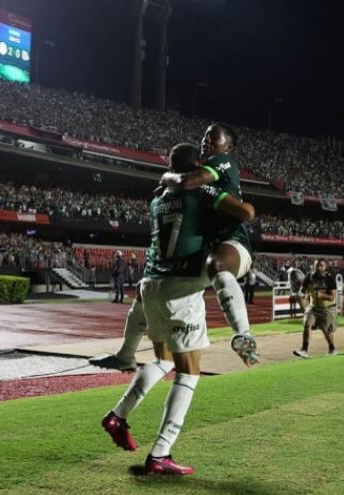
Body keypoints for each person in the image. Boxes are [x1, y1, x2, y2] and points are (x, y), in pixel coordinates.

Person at [100, 143, 255, 476]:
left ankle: (118, 415)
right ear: (197, 166)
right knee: (188, 372)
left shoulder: (158, 198)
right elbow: (244, 213)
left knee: (162, 359)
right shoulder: (200, 192)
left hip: (151, 285)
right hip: (180, 288)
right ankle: (161, 453)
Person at [159, 123, 257, 365]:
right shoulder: (200, 184)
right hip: (204, 248)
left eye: (213, 138)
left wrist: (166, 177)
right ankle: (159, 349)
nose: (206, 140)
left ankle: (244, 335)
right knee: (157, 287)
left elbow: (187, 182)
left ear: (228, 147)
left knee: (217, 265)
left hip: (232, 242)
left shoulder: (224, 162)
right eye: (204, 136)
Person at [293, 259, 338, 358]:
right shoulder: (309, 277)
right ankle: (304, 349)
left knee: (327, 331)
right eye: (317, 265)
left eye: (321, 266)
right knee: (307, 324)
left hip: (327, 308)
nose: (319, 268)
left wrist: (321, 295)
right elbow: (303, 290)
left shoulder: (330, 278)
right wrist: (300, 294)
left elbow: (332, 297)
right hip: (313, 307)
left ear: (325, 267)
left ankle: (332, 348)